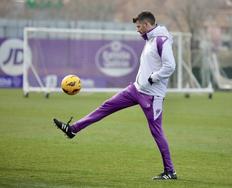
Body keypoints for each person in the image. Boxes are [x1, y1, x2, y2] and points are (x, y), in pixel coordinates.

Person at [53, 11, 177, 180]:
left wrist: (152, 78)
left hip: (152, 96)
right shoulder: (150, 39)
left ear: (147, 25)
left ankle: (170, 171)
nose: (137, 29)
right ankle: (73, 130)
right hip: (136, 89)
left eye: (139, 26)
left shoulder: (162, 40)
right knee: (106, 106)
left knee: (156, 132)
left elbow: (170, 66)